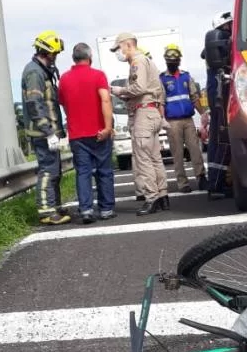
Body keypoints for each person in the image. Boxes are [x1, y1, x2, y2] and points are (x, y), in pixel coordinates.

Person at [110, 32, 169, 216]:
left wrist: (120, 90)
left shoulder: (137, 62)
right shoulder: (148, 62)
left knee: (143, 159)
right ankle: (162, 195)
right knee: (154, 158)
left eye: (118, 48)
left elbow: (138, 88)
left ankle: (151, 198)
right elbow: (159, 90)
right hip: (152, 112)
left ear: (128, 44)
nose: (117, 53)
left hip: (143, 113)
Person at [58, 42, 117, 224]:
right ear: (90, 58)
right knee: (104, 171)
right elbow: (105, 100)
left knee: (82, 172)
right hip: (98, 132)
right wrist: (108, 127)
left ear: (73, 59)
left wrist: (74, 121)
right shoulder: (98, 75)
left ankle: (86, 210)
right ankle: (106, 209)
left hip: (77, 134)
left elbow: (64, 104)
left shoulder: (64, 79)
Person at [21, 30, 71, 225]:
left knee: (55, 169)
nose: (56, 57)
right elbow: (34, 104)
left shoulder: (44, 71)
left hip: (51, 131)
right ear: (47, 51)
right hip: (42, 132)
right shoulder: (34, 72)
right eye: (54, 54)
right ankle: (46, 211)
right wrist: (48, 131)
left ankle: (55, 206)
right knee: (48, 170)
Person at [160, 44, 209, 193]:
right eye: (170, 60)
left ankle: (201, 177)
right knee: (177, 153)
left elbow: (194, 97)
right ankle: (182, 183)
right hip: (172, 122)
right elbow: (161, 101)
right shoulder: (162, 79)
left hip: (188, 120)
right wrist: (162, 119)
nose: (173, 62)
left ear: (179, 61)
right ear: (166, 61)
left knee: (195, 149)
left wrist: (203, 114)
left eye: (175, 60)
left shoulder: (186, 77)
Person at [202, 11, 233, 200]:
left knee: (219, 141)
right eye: (229, 25)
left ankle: (217, 182)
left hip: (220, 97)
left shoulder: (221, 43)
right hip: (221, 97)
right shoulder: (220, 41)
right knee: (222, 141)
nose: (232, 28)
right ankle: (216, 185)